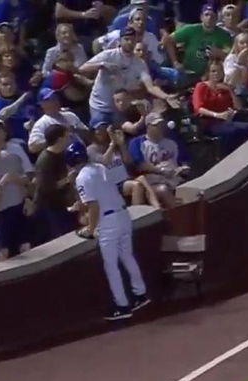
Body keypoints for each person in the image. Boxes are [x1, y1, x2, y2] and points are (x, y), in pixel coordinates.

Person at [68, 140, 150, 320]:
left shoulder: (81, 177)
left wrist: (90, 229)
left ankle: (122, 306)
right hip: (122, 214)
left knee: (111, 265)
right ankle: (140, 294)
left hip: (108, 222)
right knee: (127, 256)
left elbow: (94, 206)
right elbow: (99, 194)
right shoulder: (99, 167)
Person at [78, 26, 178, 127]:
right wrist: (102, 65)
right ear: (120, 40)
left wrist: (166, 96)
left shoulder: (140, 64)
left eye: (132, 40)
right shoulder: (108, 55)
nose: (130, 42)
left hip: (120, 108)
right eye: (126, 39)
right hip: (100, 105)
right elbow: (82, 69)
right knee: (101, 131)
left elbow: (150, 87)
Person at [0, 123, 31, 260]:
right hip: (0, 214)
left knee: (25, 246)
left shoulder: (11, 158)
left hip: (18, 208)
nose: (2, 142)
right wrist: (2, 184)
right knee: (4, 252)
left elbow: (26, 181)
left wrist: (19, 184)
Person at [192, 61, 248, 157]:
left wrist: (230, 91)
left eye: (219, 71)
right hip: (211, 123)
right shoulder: (201, 87)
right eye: (213, 71)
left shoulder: (225, 88)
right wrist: (217, 115)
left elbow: (238, 107)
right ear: (208, 73)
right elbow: (199, 108)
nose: (216, 74)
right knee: (232, 132)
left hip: (227, 121)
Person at [127, 112, 188, 208]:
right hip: (152, 184)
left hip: (175, 179)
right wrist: (162, 172)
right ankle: (181, 217)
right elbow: (140, 165)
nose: (160, 127)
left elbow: (184, 161)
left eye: (161, 124)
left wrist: (183, 169)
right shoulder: (137, 143)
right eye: (156, 125)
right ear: (148, 127)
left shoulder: (172, 141)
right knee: (163, 190)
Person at [164, 4, 233, 80]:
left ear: (217, 19)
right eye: (206, 15)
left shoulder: (224, 36)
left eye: (212, 16)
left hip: (210, 76)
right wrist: (175, 62)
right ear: (201, 17)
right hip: (187, 72)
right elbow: (168, 39)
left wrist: (220, 54)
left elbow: (231, 58)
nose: (209, 18)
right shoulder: (191, 29)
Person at [33, 124, 76, 243]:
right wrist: (67, 179)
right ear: (59, 139)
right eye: (66, 136)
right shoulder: (45, 160)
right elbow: (46, 187)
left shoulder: (62, 154)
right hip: (49, 207)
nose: (69, 138)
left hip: (62, 203)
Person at [28, 88, 90, 153]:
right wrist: (54, 139)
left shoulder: (70, 115)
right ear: (42, 104)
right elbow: (32, 147)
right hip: (62, 158)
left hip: (82, 152)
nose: (56, 101)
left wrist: (75, 130)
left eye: (55, 97)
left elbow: (89, 135)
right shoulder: (42, 123)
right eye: (51, 99)